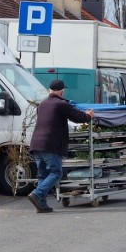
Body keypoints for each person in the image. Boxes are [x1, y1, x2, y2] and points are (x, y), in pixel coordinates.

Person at [28, 80, 94, 213]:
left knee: (43, 175)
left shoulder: (42, 104)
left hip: (36, 144)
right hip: (51, 145)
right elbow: (78, 117)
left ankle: (41, 205)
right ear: (62, 91)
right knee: (56, 173)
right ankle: (37, 193)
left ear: (49, 90)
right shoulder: (61, 104)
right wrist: (89, 116)